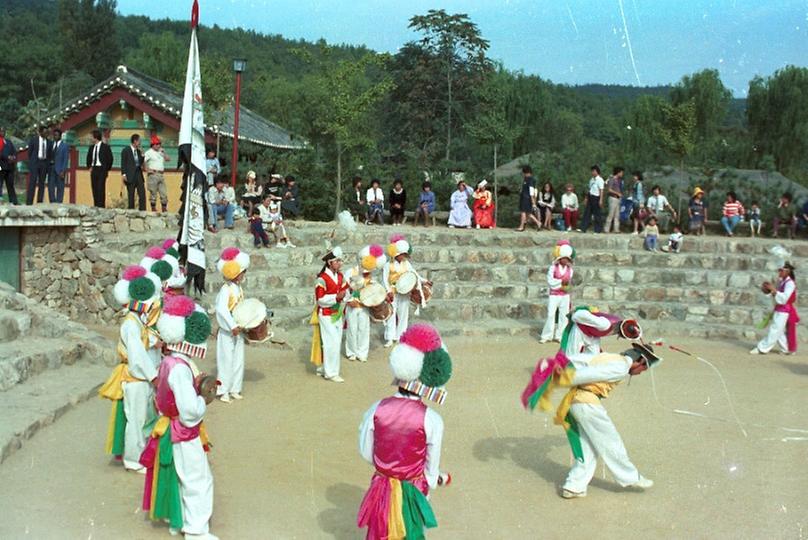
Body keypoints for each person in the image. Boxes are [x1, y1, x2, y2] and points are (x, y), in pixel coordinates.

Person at [357, 323, 453, 539]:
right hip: (414, 489)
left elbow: (366, 451)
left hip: (381, 487)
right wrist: (431, 479)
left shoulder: (376, 409)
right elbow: (431, 467)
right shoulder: (432, 420)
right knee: (411, 533)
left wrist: (387, 469)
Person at [139, 294, 217, 539]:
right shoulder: (180, 369)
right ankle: (196, 530)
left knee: (180, 477)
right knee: (198, 480)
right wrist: (202, 399)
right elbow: (189, 411)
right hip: (183, 431)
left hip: (169, 428)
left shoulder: (168, 362)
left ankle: (180, 521)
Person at [554, 344, 656, 498]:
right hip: (587, 403)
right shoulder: (621, 366)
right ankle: (631, 477)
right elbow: (577, 376)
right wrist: (562, 378)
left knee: (588, 448)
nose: (641, 373)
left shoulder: (609, 357)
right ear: (640, 360)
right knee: (610, 440)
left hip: (577, 402)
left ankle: (574, 486)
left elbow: (576, 359)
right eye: (644, 368)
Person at [98, 265, 162, 473]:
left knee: (142, 418)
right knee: (136, 420)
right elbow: (137, 356)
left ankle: (140, 455)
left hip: (139, 378)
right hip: (135, 378)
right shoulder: (130, 324)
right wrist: (153, 377)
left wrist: (154, 341)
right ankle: (133, 460)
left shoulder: (136, 322)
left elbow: (143, 342)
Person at [215, 247, 249, 402]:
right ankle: (223, 390)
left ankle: (235, 388)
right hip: (228, 331)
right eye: (242, 272)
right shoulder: (225, 289)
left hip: (238, 328)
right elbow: (222, 310)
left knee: (238, 359)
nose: (243, 275)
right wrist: (231, 325)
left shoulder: (238, 288)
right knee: (226, 360)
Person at [310, 246, 349, 383]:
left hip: (337, 313)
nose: (340, 263)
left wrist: (344, 296)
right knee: (331, 342)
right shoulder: (321, 279)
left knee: (335, 341)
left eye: (340, 261)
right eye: (337, 261)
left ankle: (325, 367)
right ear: (329, 262)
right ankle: (331, 372)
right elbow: (320, 300)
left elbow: (346, 291)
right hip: (326, 313)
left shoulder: (340, 276)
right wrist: (336, 297)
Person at [344, 245, 386, 363]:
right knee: (352, 329)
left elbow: (374, 291)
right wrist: (348, 300)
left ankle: (362, 353)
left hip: (364, 306)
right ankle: (351, 352)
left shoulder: (371, 276)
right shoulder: (350, 272)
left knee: (363, 329)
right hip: (352, 305)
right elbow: (344, 289)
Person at [751, 262, 799, 355]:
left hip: (785, 309)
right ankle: (786, 348)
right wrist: (768, 290)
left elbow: (785, 298)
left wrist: (773, 289)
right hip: (779, 308)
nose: (779, 272)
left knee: (775, 329)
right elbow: (775, 294)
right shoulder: (782, 282)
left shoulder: (790, 284)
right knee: (779, 330)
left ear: (787, 271)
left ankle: (762, 348)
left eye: (781, 270)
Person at [383, 237, 416, 347]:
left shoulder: (406, 264)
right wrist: (388, 291)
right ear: (397, 254)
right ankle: (389, 338)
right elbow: (384, 279)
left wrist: (424, 281)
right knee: (391, 314)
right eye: (403, 254)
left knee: (403, 314)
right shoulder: (388, 264)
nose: (404, 257)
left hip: (404, 292)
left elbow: (414, 274)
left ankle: (400, 336)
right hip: (393, 292)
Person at [540, 241, 574, 343]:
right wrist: (560, 282)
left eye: (567, 259)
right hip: (554, 295)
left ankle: (560, 335)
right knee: (551, 314)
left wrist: (566, 286)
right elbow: (550, 282)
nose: (565, 260)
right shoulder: (553, 268)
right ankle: (546, 336)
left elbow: (569, 282)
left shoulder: (570, 270)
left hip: (565, 295)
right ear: (560, 259)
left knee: (564, 315)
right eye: (564, 258)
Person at [143, 135, 171, 213]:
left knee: (163, 192)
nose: (159, 145)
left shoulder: (161, 152)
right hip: (153, 174)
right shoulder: (149, 152)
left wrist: (164, 153)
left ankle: (164, 207)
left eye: (159, 144)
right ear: (153, 145)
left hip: (161, 174)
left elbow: (168, 159)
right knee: (153, 192)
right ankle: (153, 208)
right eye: (157, 144)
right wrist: (147, 169)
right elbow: (143, 161)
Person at [121, 133, 146, 210]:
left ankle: (142, 210)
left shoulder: (138, 151)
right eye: (139, 141)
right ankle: (131, 211)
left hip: (138, 173)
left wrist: (142, 155)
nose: (140, 143)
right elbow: (123, 163)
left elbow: (141, 163)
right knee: (131, 194)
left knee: (142, 193)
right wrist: (124, 174)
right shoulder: (126, 150)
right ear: (135, 141)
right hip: (130, 174)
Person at [27, 126, 52, 205]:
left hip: (44, 163)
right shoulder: (34, 140)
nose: (46, 134)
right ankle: (29, 202)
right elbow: (29, 152)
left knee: (42, 183)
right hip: (35, 162)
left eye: (47, 133)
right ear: (40, 132)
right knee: (32, 182)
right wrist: (32, 162)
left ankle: (39, 202)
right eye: (44, 132)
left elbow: (50, 155)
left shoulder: (49, 142)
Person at [579, 165, 605, 233]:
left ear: (597, 171)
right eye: (592, 171)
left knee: (597, 214)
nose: (592, 172)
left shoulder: (600, 180)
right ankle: (583, 228)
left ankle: (598, 229)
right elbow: (589, 189)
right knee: (587, 213)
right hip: (590, 197)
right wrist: (586, 198)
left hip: (596, 197)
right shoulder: (591, 180)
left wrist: (601, 200)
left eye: (594, 171)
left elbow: (601, 190)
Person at [517, 165, 541, 231]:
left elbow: (532, 191)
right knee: (528, 213)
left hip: (527, 198)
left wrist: (533, 201)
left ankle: (521, 226)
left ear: (526, 172)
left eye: (524, 173)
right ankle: (538, 223)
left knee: (523, 212)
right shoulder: (526, 179)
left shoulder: (530, 180)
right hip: (524, 197)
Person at [0, 127, 18, 204]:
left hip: (9, 166)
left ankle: (13, 201)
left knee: (10, 184)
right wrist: (7, 157)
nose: (2, 132)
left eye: (3, 131)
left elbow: (14, 151)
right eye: (1, 131)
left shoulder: (8, 142)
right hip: (1, 165)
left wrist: (13, 157)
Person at [604, 167, 624, 233]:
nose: (622, 174)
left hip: (618, 199)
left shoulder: (619, 180)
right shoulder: (612, 179)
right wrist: (617, 193)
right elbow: (609, 189)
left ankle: (616, 229)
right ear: (618, 172)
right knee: (611, 214)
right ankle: (606, 229)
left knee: (617, 215)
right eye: (621, 172)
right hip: (612, 198)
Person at [50, 128, 68, 203]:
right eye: (54, 135)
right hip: (51, 168)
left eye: (56, 135)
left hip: (60, 169)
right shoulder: (51, 144)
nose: (55, 137)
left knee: (60, 187)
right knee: (51, 187)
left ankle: (59, 202)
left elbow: (65, 159)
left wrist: (63, 171)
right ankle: (52, 202)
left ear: (60, 136)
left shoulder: (64, 146)